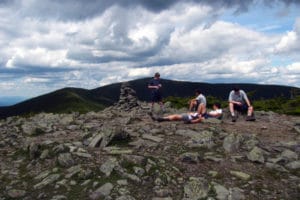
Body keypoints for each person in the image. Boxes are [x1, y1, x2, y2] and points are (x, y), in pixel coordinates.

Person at [151, 103, 222, 124]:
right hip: (196, 115)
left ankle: (161, 119)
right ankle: (162, 119)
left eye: (213, 106)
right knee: (176, 116)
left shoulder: (219, 111)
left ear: (216, 106)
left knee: (176, 116)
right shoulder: (212, 112)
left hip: (195, 117)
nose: (213, 107)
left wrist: (191, 121)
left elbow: (217, 115)